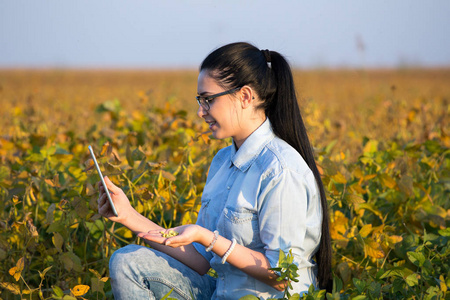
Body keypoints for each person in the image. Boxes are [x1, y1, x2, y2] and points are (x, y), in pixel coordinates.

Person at [97, 42, 332, 299]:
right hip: (220, 293)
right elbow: (201, 260)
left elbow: (282, 276)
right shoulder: (222, 161)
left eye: (208, 100)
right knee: (127, 262)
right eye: (200, 101)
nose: (200, 112)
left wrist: (208, 238)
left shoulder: (281, 170)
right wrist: (128, 215)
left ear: (244, 96)